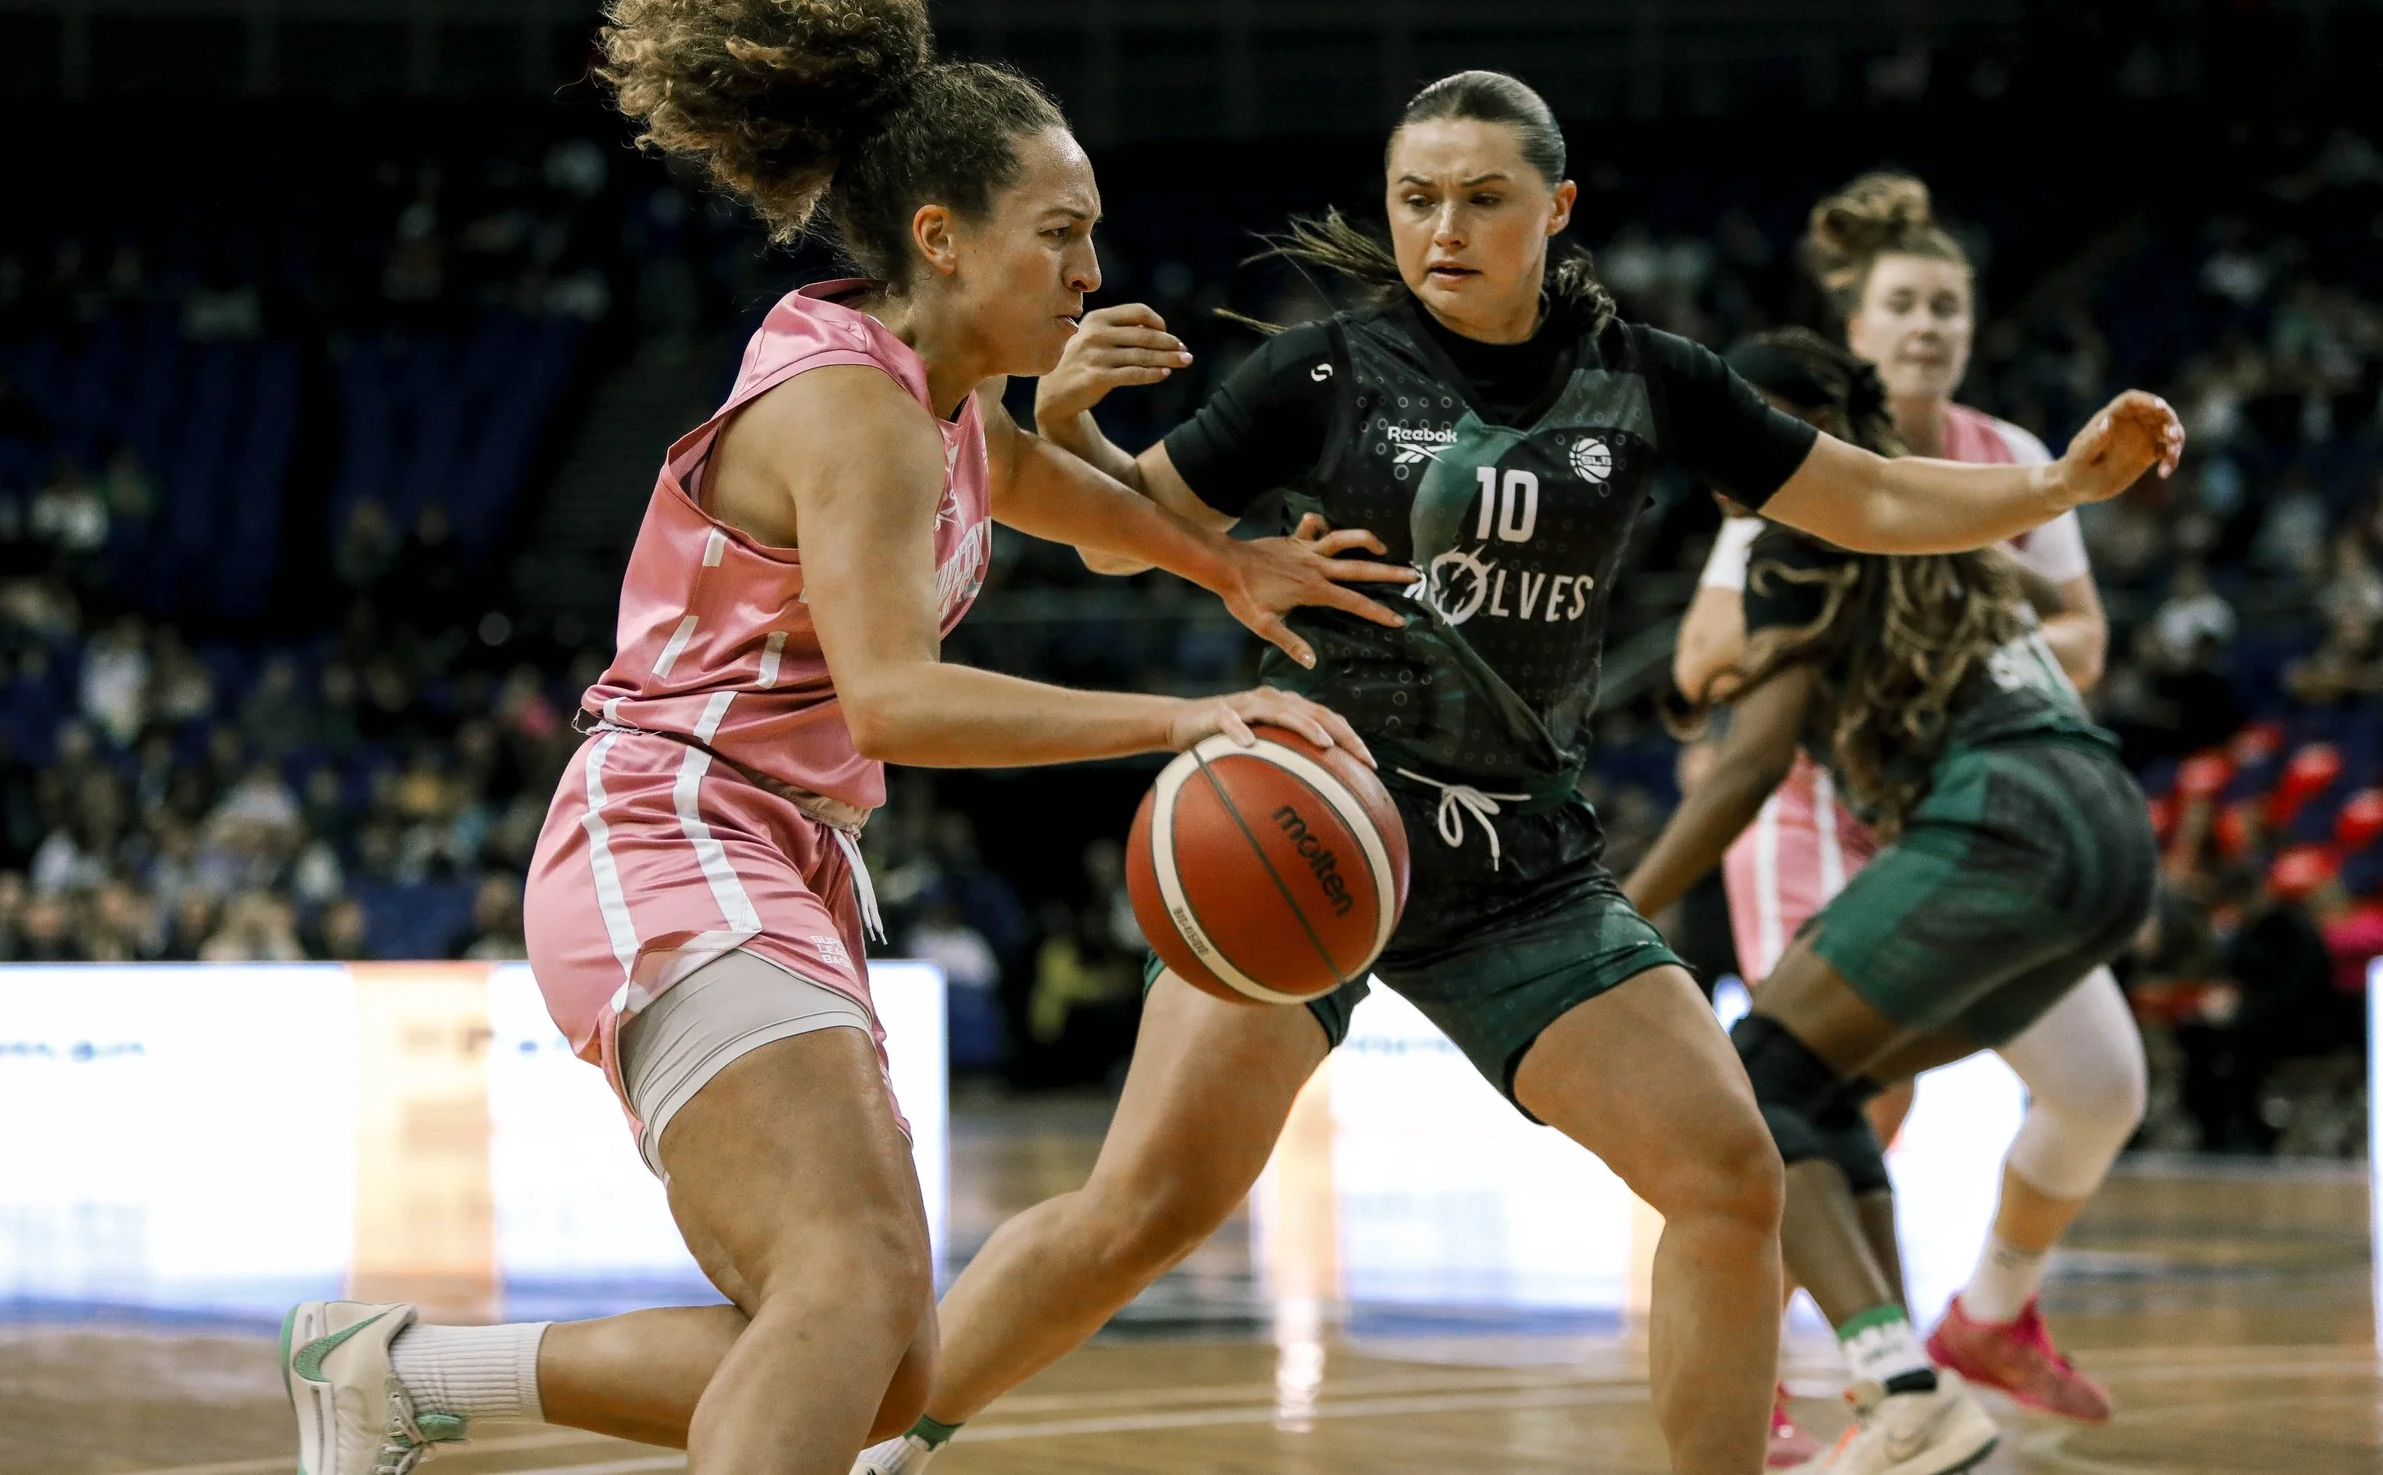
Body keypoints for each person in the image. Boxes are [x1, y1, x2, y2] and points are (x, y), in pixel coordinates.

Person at [859, 71, 2181, 1475]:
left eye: (1484, 197)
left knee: (1728, 1172)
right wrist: (1067, 432)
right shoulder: (1323, 369)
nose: (1445, 225)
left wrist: (2054, 492)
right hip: (1313, 825)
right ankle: (888, 1441)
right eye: (1416, 197)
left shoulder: (1647, 375)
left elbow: (1858, 492)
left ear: (1554, 208)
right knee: (1143, 1207)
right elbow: (1134, 536)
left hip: (1520, 869)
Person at [277, 0, 1399, 1475]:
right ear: (940, 237)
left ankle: (400, 1372)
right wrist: (1186, 719)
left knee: (878, 1358)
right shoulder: (852, 409)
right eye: (1058, 232)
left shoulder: (934, 400)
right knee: (850, 1283)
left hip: (768, 850)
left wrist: (1229, 569)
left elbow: (1077, 507)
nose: (1091, 265)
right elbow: (898, 702)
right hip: (677, 826)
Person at [1625, 339, 2160, 1473]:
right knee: (1822, 1084)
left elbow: (1747, 765)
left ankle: (1897, 1380)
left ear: (1793, 425)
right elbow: (2032, 596)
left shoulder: (1791, 536)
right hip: (2106, 823)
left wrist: (1622, 903)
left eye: (1737, 415)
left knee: (1761, 1077)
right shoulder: (1928, 516)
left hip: (2001, 816)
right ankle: (1911, 1390)